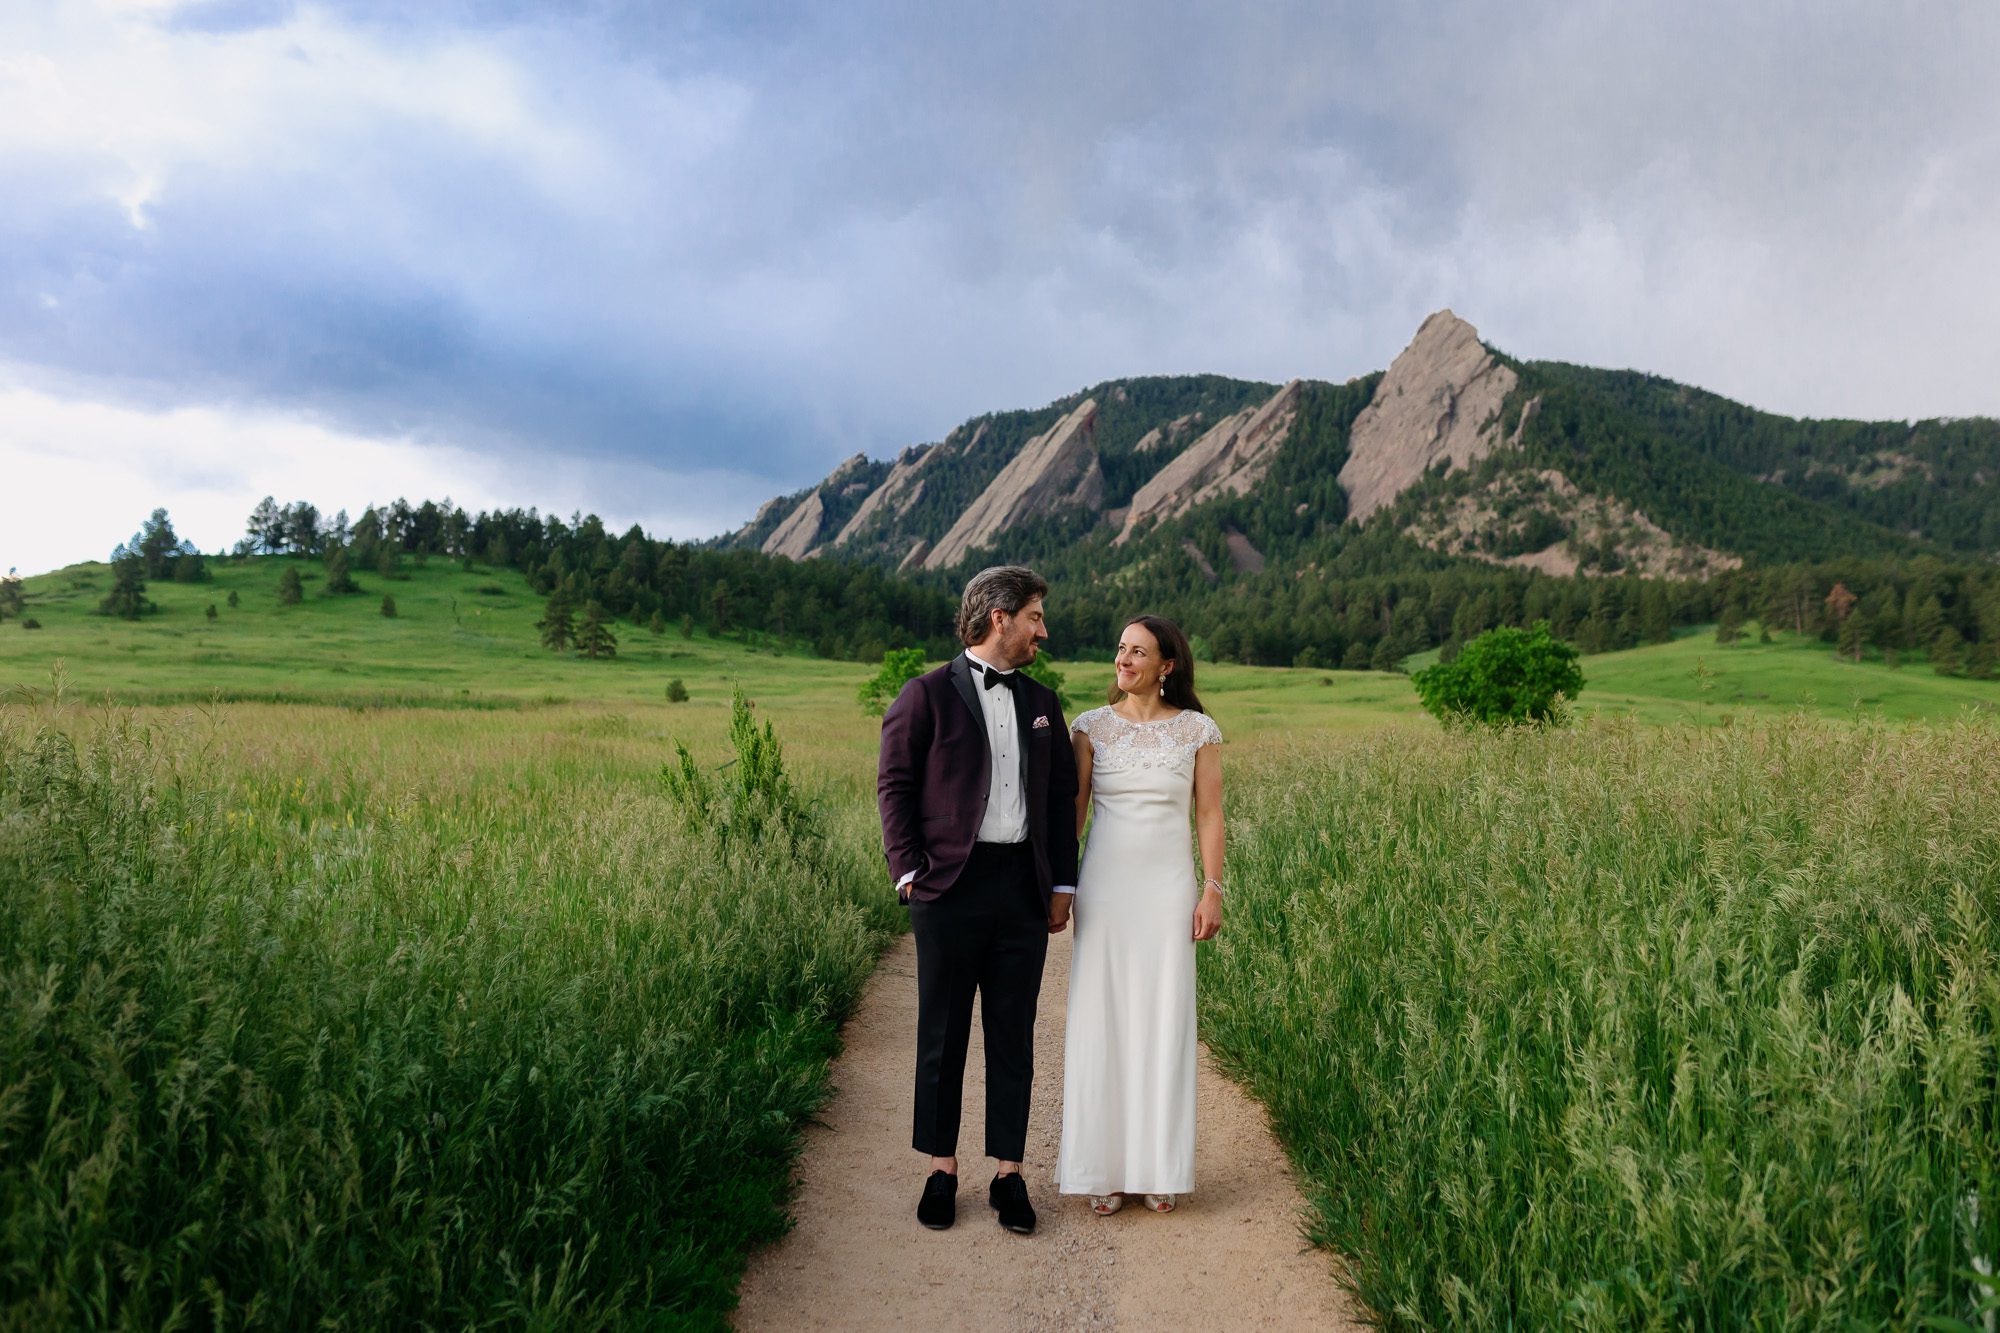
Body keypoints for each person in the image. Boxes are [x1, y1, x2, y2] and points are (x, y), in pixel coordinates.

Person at [877, 565, 1080, 1235]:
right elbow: (896, 786)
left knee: (1013, 1034)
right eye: (1034, 618)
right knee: (942, 1032)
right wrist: (908, 873)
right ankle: (941, 1167)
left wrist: (1061, 885)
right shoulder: (925, 694)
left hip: (1022, 887)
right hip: (949, 889)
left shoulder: (1046, 702)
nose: (1042, 631)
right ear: (1001, 617)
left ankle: (1008, 1174)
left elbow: (1058, 802)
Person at [1052, 614, 1224, 1216]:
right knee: (1103, 1018)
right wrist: (1061, 885)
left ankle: (1158, 1165)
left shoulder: (1197, 730)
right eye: (1120, 649)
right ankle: (1103, 1168)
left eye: (1137, 652)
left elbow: (1208, 816)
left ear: (1166, 665)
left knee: (1164, 1018)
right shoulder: (1089, 727)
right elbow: (1074, 812)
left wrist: (1213, 890)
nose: (1123, 660)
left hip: (1168, 888)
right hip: (1106, 886)